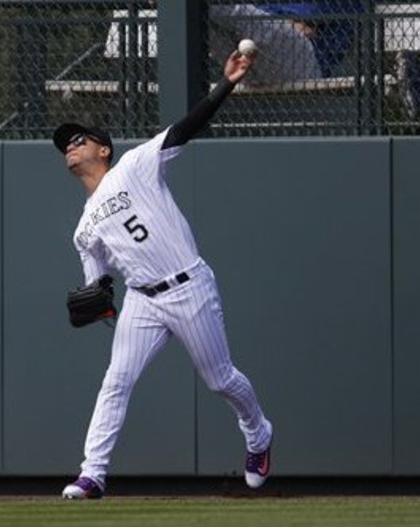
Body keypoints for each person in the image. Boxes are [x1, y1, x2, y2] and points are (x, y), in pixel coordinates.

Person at [53, 49, 273, 500]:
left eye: (79, 139)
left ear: (103, 149)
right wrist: (100, 305)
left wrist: (227, 83)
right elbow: (98, 290)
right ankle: (92, 474)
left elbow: (186, 128)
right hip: (143, 300)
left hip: (188, 284)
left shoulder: (135, 165)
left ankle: (259, 433)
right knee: (116, 380)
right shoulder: (83, 229)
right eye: (65, 144)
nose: (71, 145)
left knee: (220, 380)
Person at [209, 2, 364, 86]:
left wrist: (282, 19)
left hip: (307, 65)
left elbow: (305, 20)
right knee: (200, 18)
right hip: (245, 67)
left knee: (235, 11)